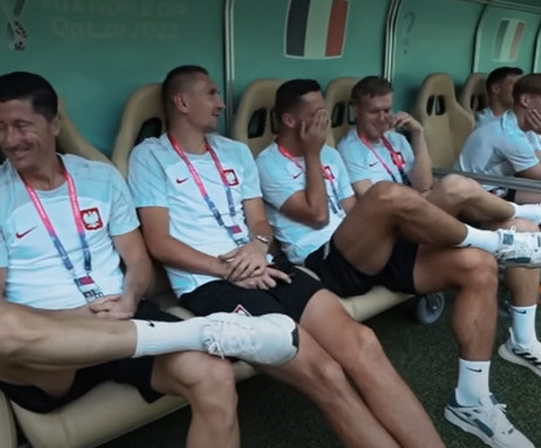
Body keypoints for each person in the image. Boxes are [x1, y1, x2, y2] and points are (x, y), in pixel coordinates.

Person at [0, 71, 300, 448]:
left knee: (215, 376)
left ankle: (189, 335)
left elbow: (138, 262)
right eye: (0, 128)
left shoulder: (100, 178)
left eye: (22, 126)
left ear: (54, 123)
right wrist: (77, 317)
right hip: (52, 341)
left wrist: (129, 299)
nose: (9, 140)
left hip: (124, 315)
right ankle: (198, 332)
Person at [129, 65, 446, 448]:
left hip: (266, 266)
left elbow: (258, 221)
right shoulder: (150, 157)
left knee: (363, 343)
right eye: (211, 93)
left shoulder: (235, 152)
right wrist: (227, 269)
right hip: (210, 283)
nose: (221, 103)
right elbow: (159, 242)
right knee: (326, 373)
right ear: (182, 102)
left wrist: (258, 245)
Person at [257, 78, 541, 448]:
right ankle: (505, 237)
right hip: (322, 261)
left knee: (479, 266)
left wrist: (386, 226)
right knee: (388, 194)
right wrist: (313, 154)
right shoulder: (270, 162)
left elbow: (351, 211)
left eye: (325, 113)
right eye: (316, 115)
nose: (324, 122)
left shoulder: (329, 155)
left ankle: (471, 400)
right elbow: (316, 215)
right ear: (290, 120)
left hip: (363, 246)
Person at [337, 74, 541, 382]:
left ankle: (523, 342)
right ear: (355, 109)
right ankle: (526, 218)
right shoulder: (350, 149)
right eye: (375, 112)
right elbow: (376, 202)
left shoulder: (395, 140)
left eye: (387, 110)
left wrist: (418, 136)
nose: (383, 118)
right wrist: (422, 196)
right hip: (393, 228)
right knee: (453, 186)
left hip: (423, 213)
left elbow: (423, 182)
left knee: (526, 230)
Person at [456, 73, 541, 203]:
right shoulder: (509, 135)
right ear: (526, 100)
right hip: (475, 192)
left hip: (500, 185)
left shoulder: (520, 127)